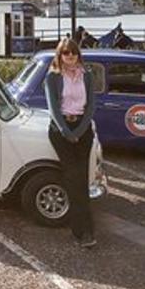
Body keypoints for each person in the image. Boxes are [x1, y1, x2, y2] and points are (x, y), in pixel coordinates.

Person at [42, 37, 97, 248]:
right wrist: (67, 132)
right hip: (60, 131)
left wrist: (80, 130)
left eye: (73, 52)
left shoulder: (87, 75)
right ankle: (83, 232)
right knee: (73, 178)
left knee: (81, 180)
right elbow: (54, 109)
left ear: (78, 54)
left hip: (83, 129)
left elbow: (91, 105)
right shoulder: (52, 77)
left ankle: (85, 230)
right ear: (60, 55)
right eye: (66, 53)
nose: (70, 56)